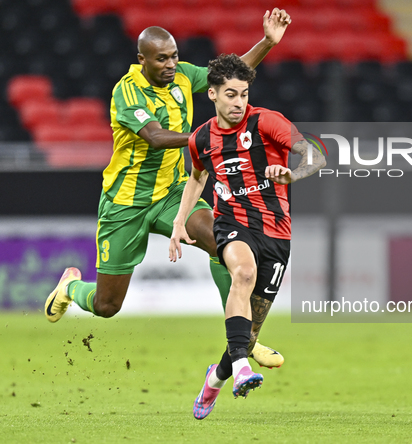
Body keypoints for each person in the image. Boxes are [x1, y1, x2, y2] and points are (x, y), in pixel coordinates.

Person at [44, 9, 292, 369]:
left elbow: (228, 77)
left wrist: (268, 41)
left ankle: (244, 338)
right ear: (142, 59)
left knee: (221, 239)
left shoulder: (182, 76)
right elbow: (156, 137)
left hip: (174, 192)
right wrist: (206, 139)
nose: (171, 64)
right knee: (107, 306)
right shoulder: (127, 92)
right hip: (126, 202)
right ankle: (70, 287)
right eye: (162, 58)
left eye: (174, 55)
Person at [168, 54, 326, 419]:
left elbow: (316, 157)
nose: (238, 102)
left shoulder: (266, 121)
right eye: (230, 95)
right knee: (242, 273)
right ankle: (242, 369)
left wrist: (291, 175)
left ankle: (218, 376)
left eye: (243, 94)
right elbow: (197, 177)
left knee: (250, 334)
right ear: (212, 95)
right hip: (232, 223)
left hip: (277, 232)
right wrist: (179, 223)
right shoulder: (201, 138)